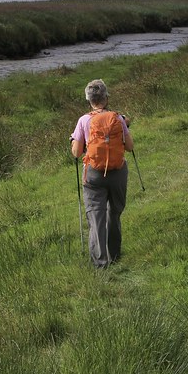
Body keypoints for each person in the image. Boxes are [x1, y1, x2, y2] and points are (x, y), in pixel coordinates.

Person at [71, 79, 133, 268]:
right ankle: (115, 255)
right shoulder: (118, 118)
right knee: (114, 213)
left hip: (94, 174)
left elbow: (76, 152)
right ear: (106, 98)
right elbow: (130, 147)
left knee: (96, 216)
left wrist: (74, 141)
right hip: (118, 171)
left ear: (89, 100)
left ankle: (100, 263)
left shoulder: (84, 120)